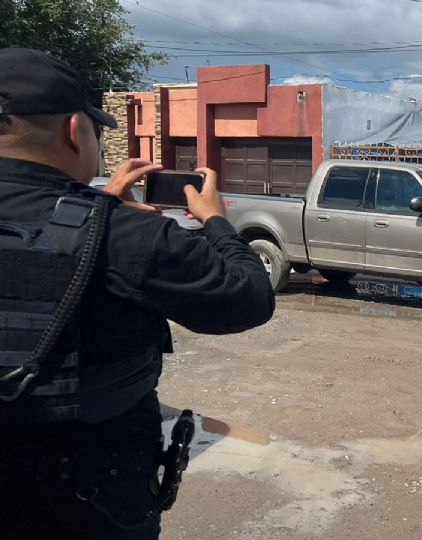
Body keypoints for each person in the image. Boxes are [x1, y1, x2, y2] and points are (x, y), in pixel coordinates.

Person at [0, 48, 275, 539]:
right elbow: (248, 296)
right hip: (84, 501)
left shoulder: (113, 227)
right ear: (73, 130)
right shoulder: (125, 236)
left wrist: (102, 206)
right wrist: (214, 219)